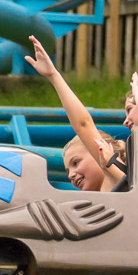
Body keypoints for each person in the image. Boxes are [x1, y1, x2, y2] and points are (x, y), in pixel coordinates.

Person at [26, 36, 125, 191]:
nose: (71, 175)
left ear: (102, 151)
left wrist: (53, 75)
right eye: (68, 171)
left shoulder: (115, 174)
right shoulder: (93, 200)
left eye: (76, 163)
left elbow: (83, 124)